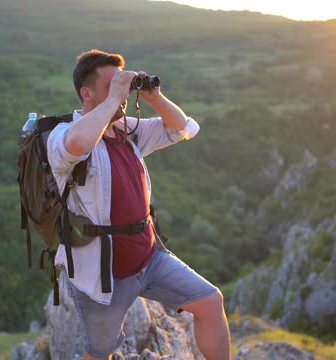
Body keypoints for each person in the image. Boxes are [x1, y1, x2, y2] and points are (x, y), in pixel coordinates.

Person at [47, 49, 231, 360]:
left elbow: (181, 128)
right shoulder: (62, 134)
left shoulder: (126, 131)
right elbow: (77, 145)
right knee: (100, 352)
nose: (119, 96)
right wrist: (111, 101)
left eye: (122, 86)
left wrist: (153, 96)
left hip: (149, 259)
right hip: (103, 275)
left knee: (211, 301)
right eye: (111, 86)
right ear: (86, 93)